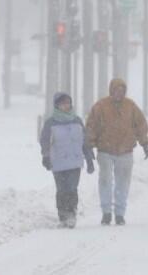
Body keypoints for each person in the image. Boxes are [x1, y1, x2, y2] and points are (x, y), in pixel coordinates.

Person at [85, 78, 148, 226]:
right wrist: (89, 143)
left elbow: (140, 125)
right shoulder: (100, 106)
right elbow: (91, 125)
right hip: (105, 150)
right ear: (111, 90)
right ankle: (106, 212)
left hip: (126, 150)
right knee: (105, 180)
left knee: (123, 182)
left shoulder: (131, 106)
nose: (118, 93)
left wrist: (144, 142)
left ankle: (120, 213)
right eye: (116, 90)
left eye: (121, 90)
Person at [39, 92, 94, 228]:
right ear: (57, 105)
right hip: (58, 162)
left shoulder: (77, 120)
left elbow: (84, 140)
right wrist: (46, 156)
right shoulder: (50, 123)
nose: (66, 106)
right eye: (62, 103)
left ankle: (71, 214)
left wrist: (88, 158)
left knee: (72, 188)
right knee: (61, 189)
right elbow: (45, 140)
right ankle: (62, 215)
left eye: (68, 103)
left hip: (74, 162)